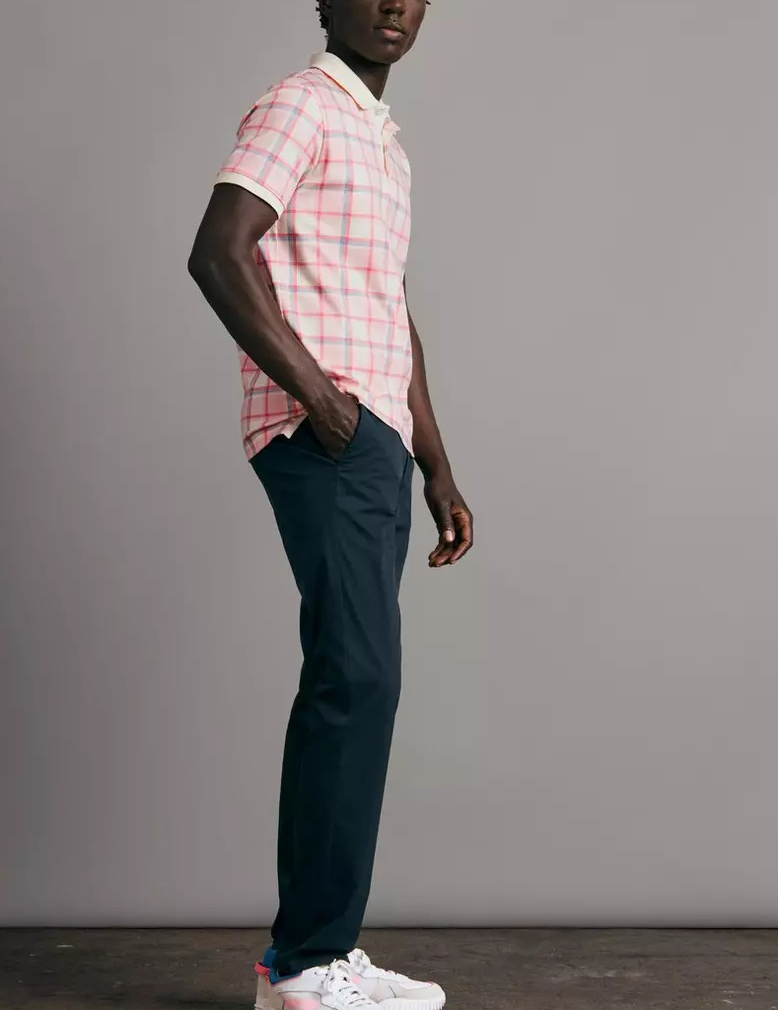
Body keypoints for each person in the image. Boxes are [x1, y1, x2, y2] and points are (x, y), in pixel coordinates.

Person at [189, 2, 473, 1007]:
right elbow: (218, 251)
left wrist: (433, 462)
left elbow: (387, 307)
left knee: (356, 677)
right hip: (330, 433)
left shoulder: (381, 141)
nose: (394, 3)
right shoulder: (301, 106)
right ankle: (308, 962)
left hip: (373, 439)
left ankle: (314, 957)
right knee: (356, 676)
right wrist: (323, 402)